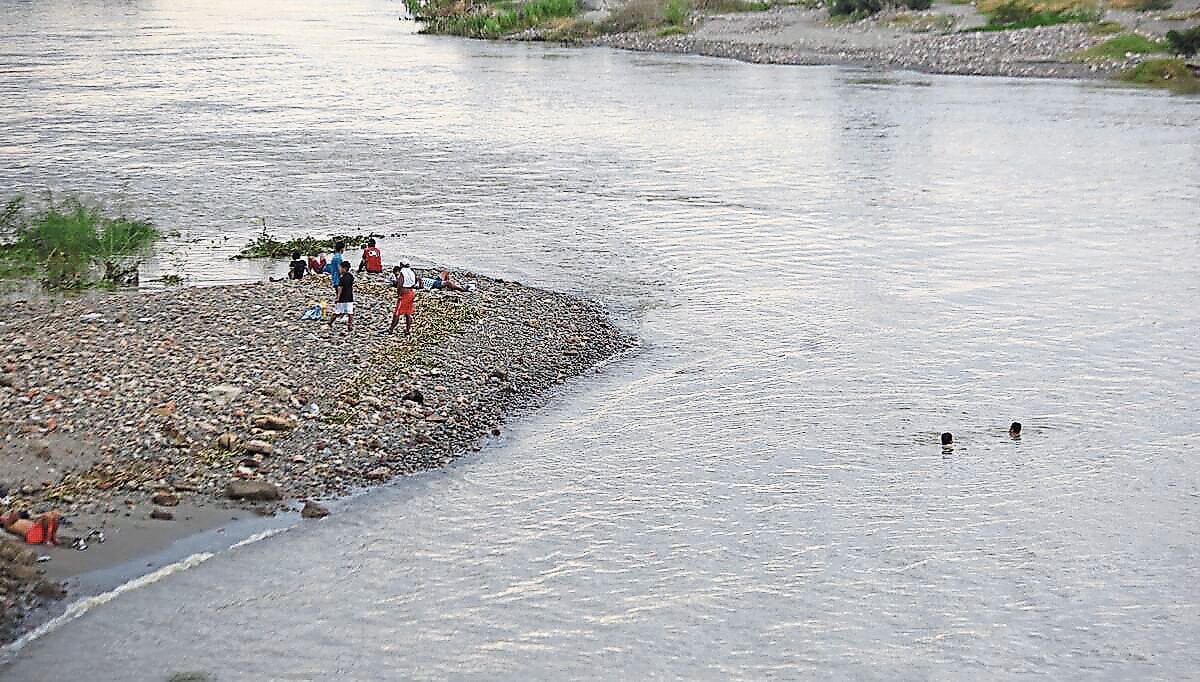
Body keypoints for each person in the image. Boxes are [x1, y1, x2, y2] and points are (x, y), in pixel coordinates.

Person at [387, 263, 417, 335]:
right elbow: (414, 282)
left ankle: (391, 329)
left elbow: (400, 284)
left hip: (404, 294)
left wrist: (399, 294)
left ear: (401, 265)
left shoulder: (402, 272)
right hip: (411, 292)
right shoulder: (411, 272)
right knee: (408, 313)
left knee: (397, 313)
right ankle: (407, 330)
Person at [328, 261, 355, 332]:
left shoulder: (342, 278)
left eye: (340, 268)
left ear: (344, 268)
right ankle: (350, 325)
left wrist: (337, 297)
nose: (339, 269)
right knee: (350, 312)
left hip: (342, 298)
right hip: (349, 297)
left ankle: (330, 322)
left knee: (337, 312)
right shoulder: (351, 276)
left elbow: (340, 288)